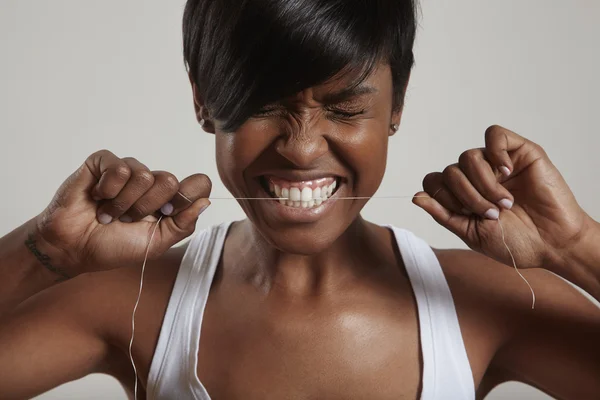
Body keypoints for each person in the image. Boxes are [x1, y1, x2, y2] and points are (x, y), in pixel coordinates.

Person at [1, 0, 599, 399]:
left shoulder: (489, 301)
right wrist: (43, 252)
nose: (302, 147)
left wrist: (577, 247)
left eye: (344, 109)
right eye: (264, 105)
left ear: (396, 106)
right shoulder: (130, 300)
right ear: (204, 100)